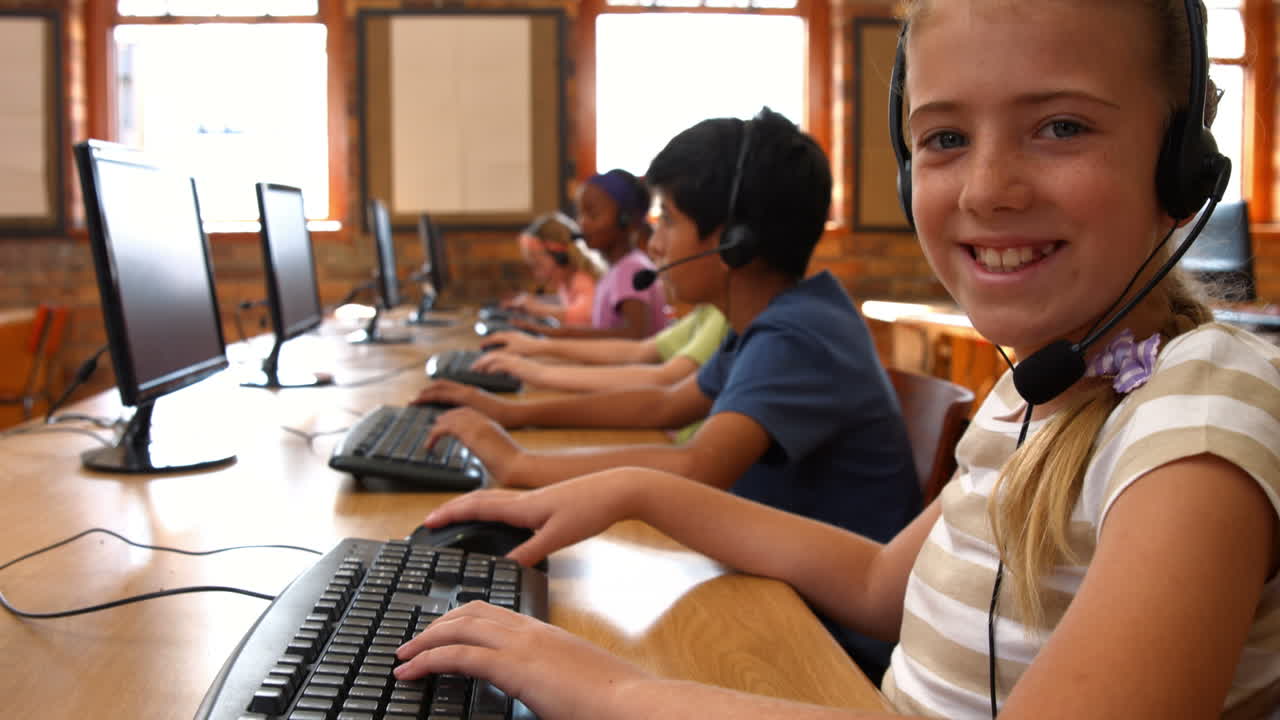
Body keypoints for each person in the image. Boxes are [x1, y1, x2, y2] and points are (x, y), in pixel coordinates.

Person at [395, 1, 1280, 716]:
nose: (986, 187)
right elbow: (875, 579)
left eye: (1059, 126)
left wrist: (615, 689)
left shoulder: (1200, 419)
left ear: (1181, 168)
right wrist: (636, 491)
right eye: (943, 139)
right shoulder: (1036, 389)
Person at [416, 108, 921, 678]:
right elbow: (664, 403)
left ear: (732, 243)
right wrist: (514, 415)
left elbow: (696, 465)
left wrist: (520, 462)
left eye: (669, 221)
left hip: (833, 640)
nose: (654, 243)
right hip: (785, 592)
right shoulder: (767, 323)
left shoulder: (799, 335)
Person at [516, 169, 670, 339]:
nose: (582, 222)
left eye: (592, 214)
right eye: (580, 213)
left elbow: (634, 337)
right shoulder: (620, 268)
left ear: (626, 219)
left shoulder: (630, 269)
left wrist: (554, 335)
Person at [502, 211, 602, 327]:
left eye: (538, 265)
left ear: (560, 257)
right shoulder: (565, 283)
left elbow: (586, 316)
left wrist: (539, 309)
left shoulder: (582, 280)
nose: (537, 275)